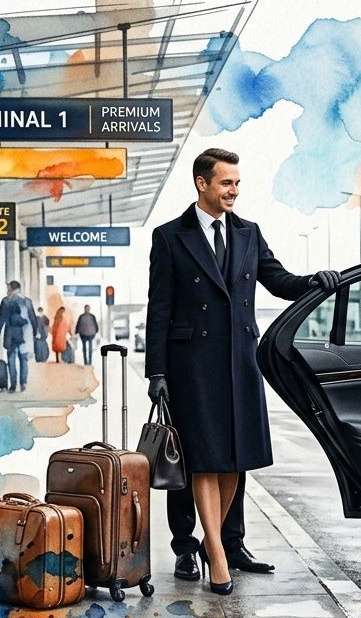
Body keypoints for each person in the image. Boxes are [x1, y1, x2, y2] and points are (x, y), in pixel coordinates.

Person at [145, 148, 340, 594]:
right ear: (202, 184)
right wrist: (157, 371)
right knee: (197, 461)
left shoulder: (249, 233)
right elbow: (160, 308)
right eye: (226, 183)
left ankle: (226, 544)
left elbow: (279, 280)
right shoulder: (170, 237)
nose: (234, 191)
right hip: (190, 364)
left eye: (237, 183)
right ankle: (198, 549)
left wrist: (315, 281)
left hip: (239, 359)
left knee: (234, 458)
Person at [0, 280, 37, 392]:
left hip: (10, 334)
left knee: (11, 359)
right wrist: (35, 331)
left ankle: (13, 385)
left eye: (8, 288)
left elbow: (1, 318)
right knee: (23, 359)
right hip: (23, 334)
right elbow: (32, 318)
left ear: (11, 289)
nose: (7, 291)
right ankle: (23, 383)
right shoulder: (27, 301)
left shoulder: (6, 301)